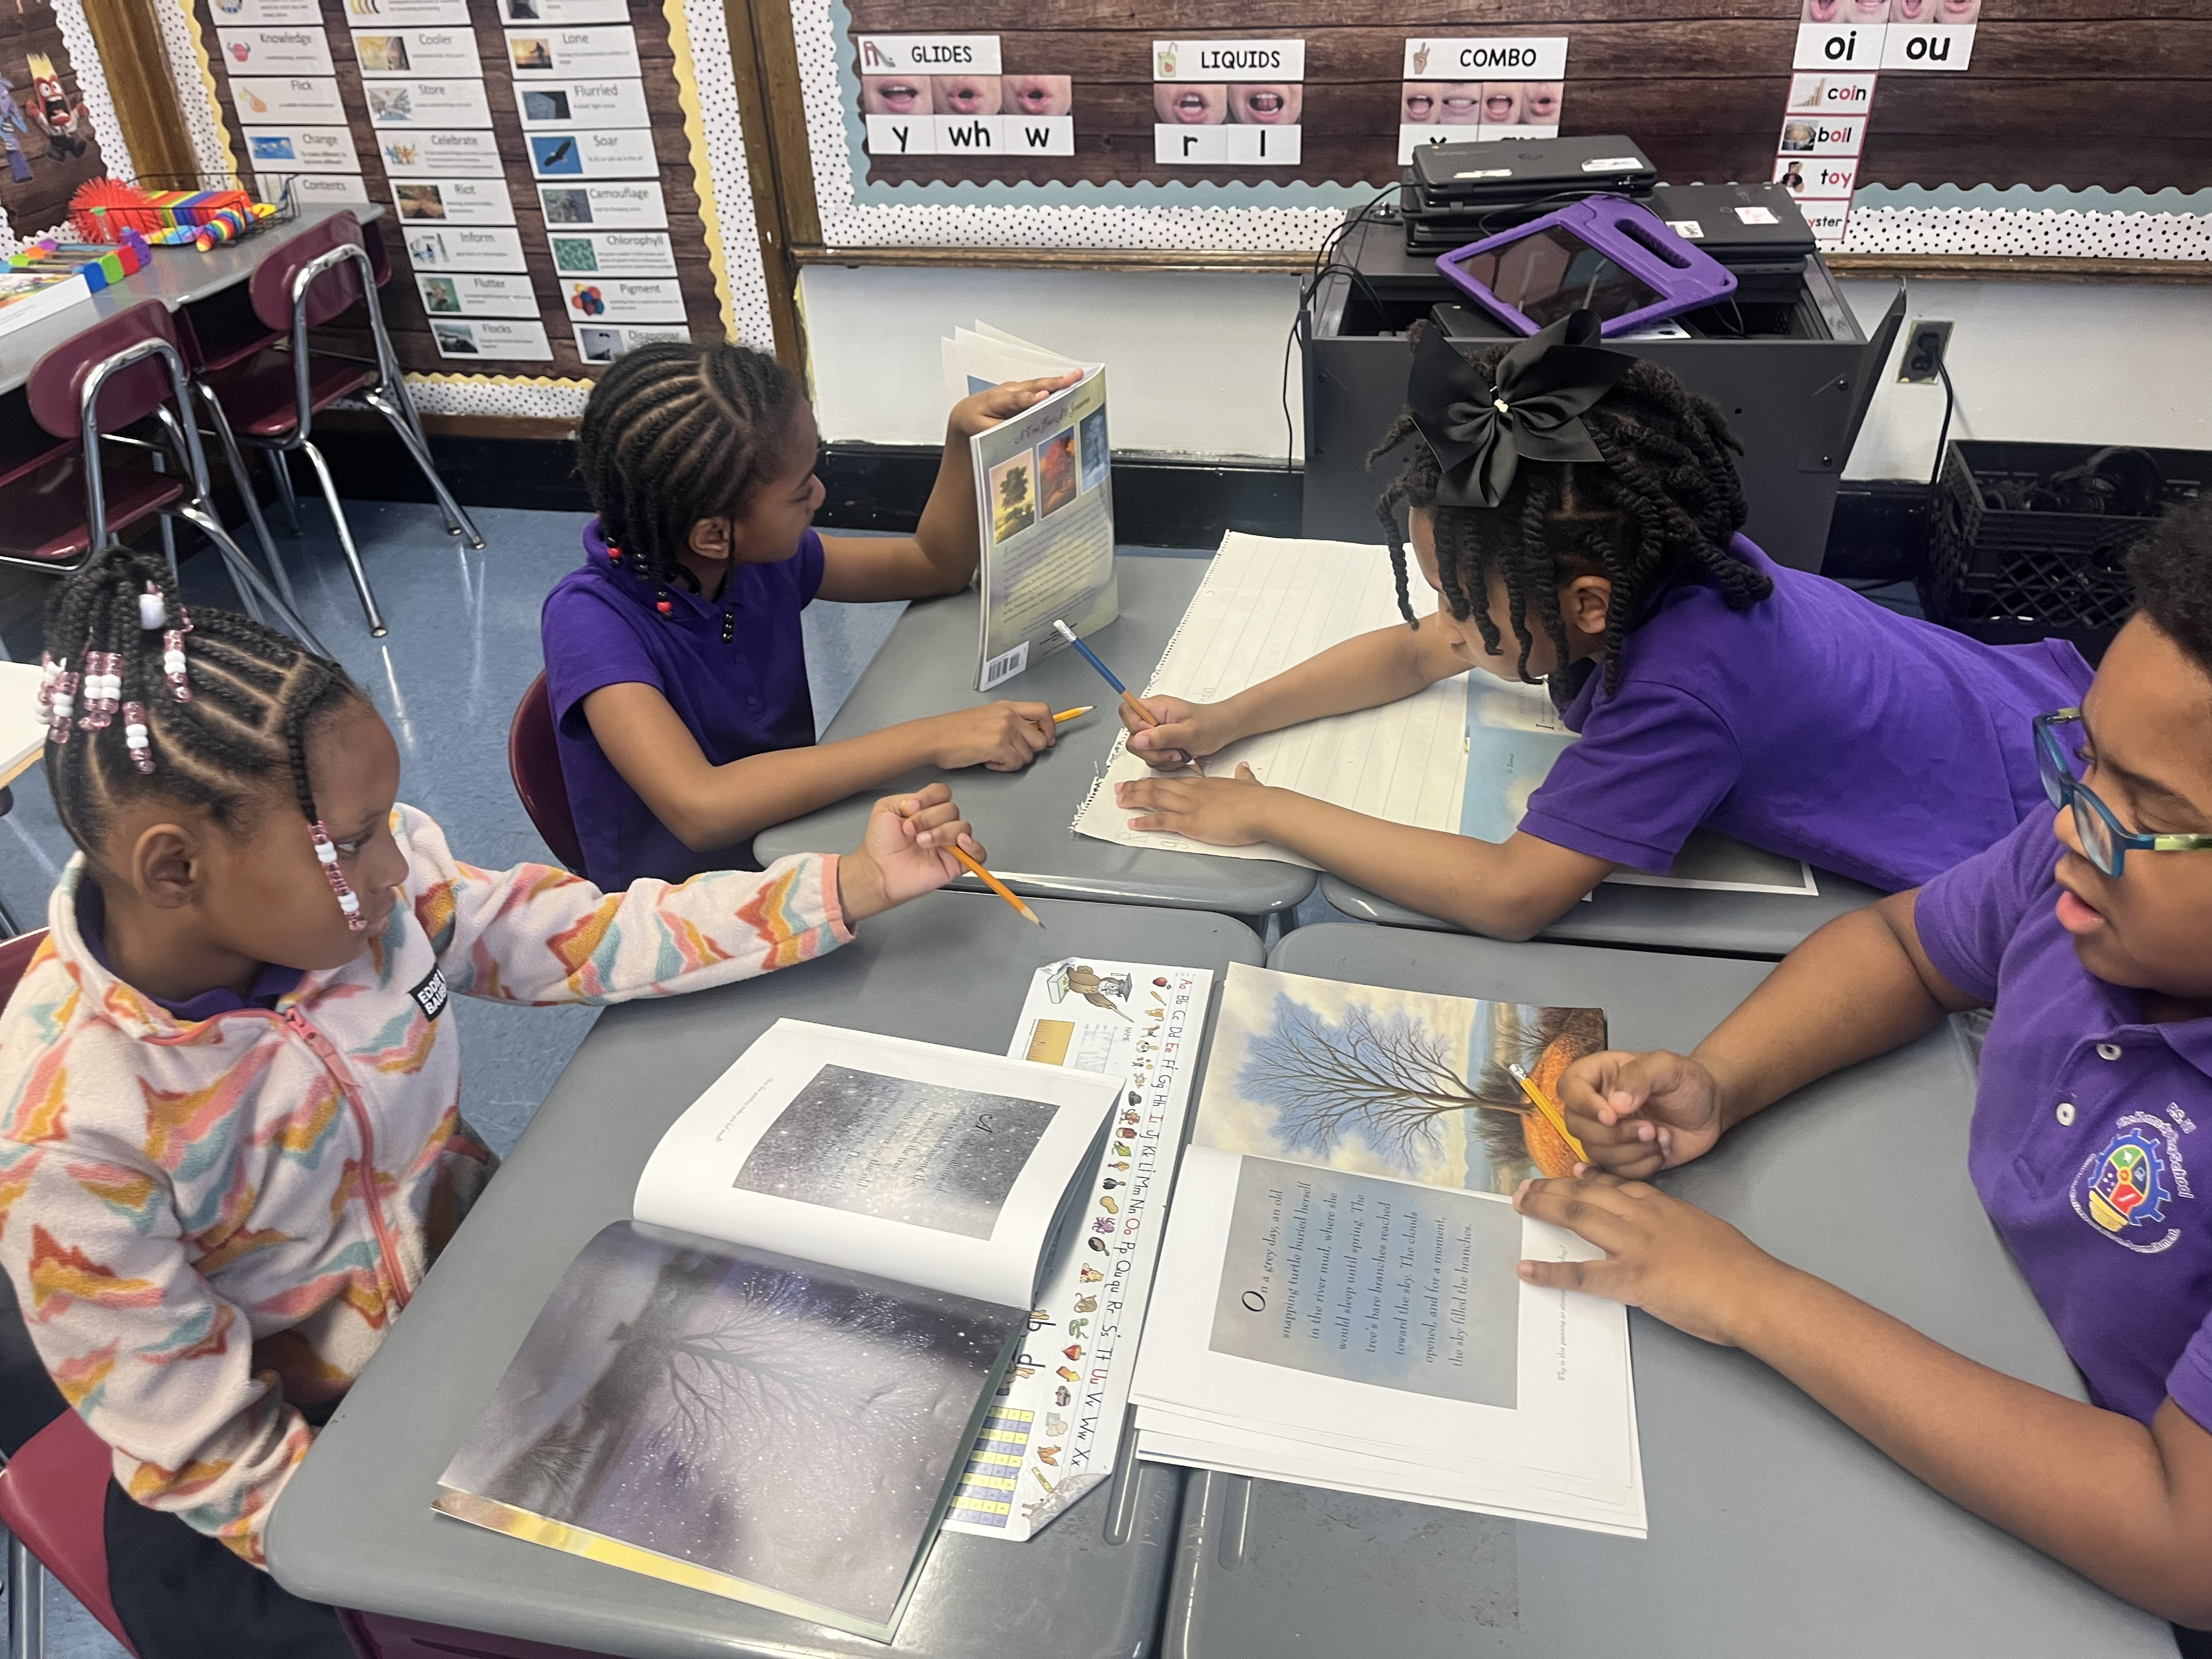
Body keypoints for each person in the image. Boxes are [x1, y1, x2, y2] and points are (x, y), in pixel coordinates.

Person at [0, 548, 985, 1657]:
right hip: (294, 1470)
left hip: (478, 1316)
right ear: (175, 871)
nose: (396, 863)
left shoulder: (372, 893)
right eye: (355, 840)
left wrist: (846, 884)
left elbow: (582, 935)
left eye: (384, 820)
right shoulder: (71, 1130)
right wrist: (417, 1562)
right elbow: (200, 1444)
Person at [1521, 496, 2212, 1647]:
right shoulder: (2078, 871)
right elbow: (1908, 946)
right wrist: (1719, 1080)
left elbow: (2182, 1540)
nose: (2074, 821)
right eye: (2085, 756)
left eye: (2148, 812)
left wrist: (1752, 1296)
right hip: (1985, 1338)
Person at [1113, 315, 2091, 939]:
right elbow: (1419, 652)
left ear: (1582, 604)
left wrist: (1266, 811)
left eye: (1462, 599)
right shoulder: (1649, 555)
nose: (1445, 622)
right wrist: (1221, 719)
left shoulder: (1677, 693)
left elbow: (1511, 894)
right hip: (2028, 706)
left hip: (2036, 827)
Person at [544, 340, 1078, 890]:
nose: (820, 494)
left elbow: (932, 566)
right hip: (683, 915)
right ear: (713, 534)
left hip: (794, 845)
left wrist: (964, 439)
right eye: (801, 493)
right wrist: (932, 737)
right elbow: (700, 808)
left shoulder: (752, 557)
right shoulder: (588, 620)